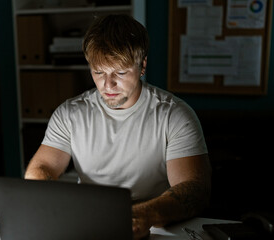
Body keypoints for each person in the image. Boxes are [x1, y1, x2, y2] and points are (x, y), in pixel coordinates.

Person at [24, 14, 211, 239]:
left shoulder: (175, 115)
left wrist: (144, 215)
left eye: (120, 73)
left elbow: (194, 189)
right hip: (89, 224)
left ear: (142, 65)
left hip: (156, 225)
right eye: (99, 72)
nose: (107, 84)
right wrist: (50, 204)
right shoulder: (70, 113)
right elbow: (41, 167)